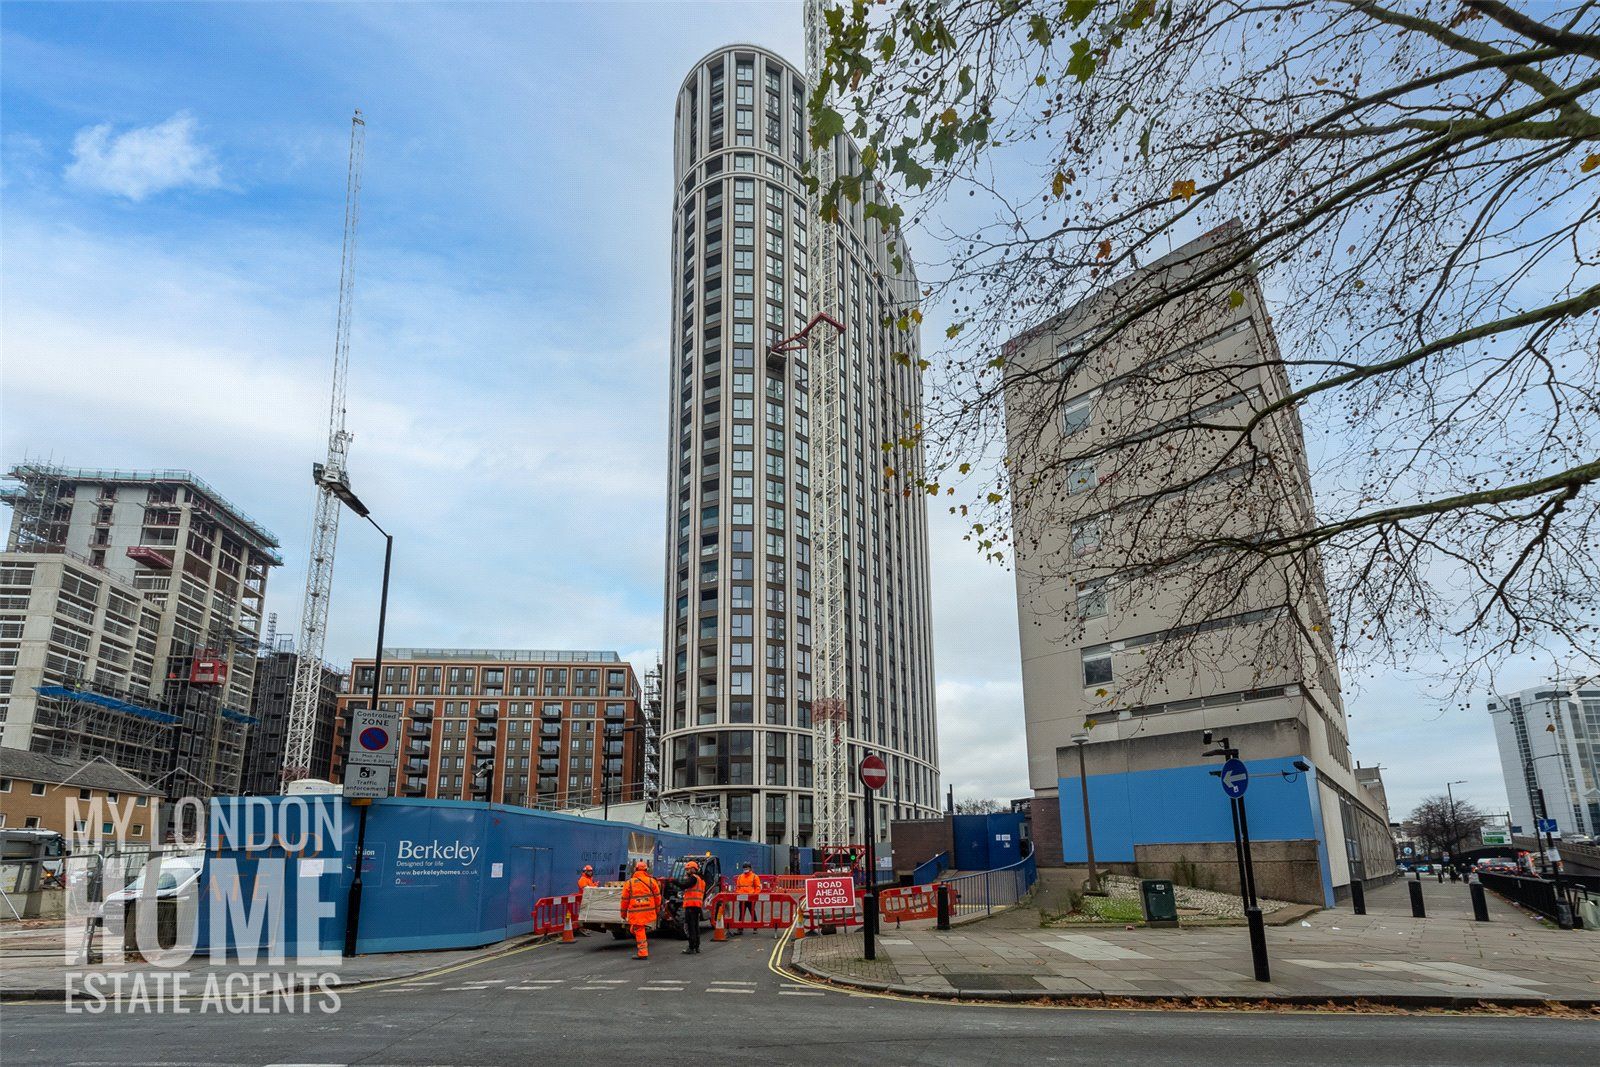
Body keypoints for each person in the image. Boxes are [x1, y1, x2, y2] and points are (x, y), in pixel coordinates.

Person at [620, 860, 661, 960]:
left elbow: (624, 900)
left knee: (639, 929)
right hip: (648, 911)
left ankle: (643, 953)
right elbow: (657, 897)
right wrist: (657, 910)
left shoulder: (629, 883)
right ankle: (642, 942)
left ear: (635, 869)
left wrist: (623, 913)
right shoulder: (652, 881)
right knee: (635, 929)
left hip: (636, 912)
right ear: (646, 870)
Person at [679, 859, 706, 954]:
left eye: (688, 869)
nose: (686, 872)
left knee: (690, 927)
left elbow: (683, 885)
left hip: (691, 906)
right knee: (695, 927)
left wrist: (674, 881)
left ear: (693, 869)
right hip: (697, 906)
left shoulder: (693, 878)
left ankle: (691, 947)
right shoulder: (701, 879)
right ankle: (697, 946)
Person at [733, 862, 762, 935]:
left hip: (751, 898)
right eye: (744, 868)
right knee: (741, 913)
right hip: (742, 898)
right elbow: (737, 887)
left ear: (750, 868)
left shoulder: (754, 877)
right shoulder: (740, 877)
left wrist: (754, 895)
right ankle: (740, 929)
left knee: (752, 912)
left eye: (747, 868)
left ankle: (755, 928)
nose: (746, 869)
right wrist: (739, 894)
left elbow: (758, 887)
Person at [574, 865, 598, 936]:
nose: (590, 872)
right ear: (585, 872)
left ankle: (586, 928)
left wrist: (595, 885)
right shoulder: (582, 879)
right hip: (584, 899)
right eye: (589, 871)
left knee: (587, 914)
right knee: (583, 914)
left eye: (591, 871)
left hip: (589, 899)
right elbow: (586, 889)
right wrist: (594, 887)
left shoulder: (589, 879)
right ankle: (582, 928)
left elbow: (590, 887)